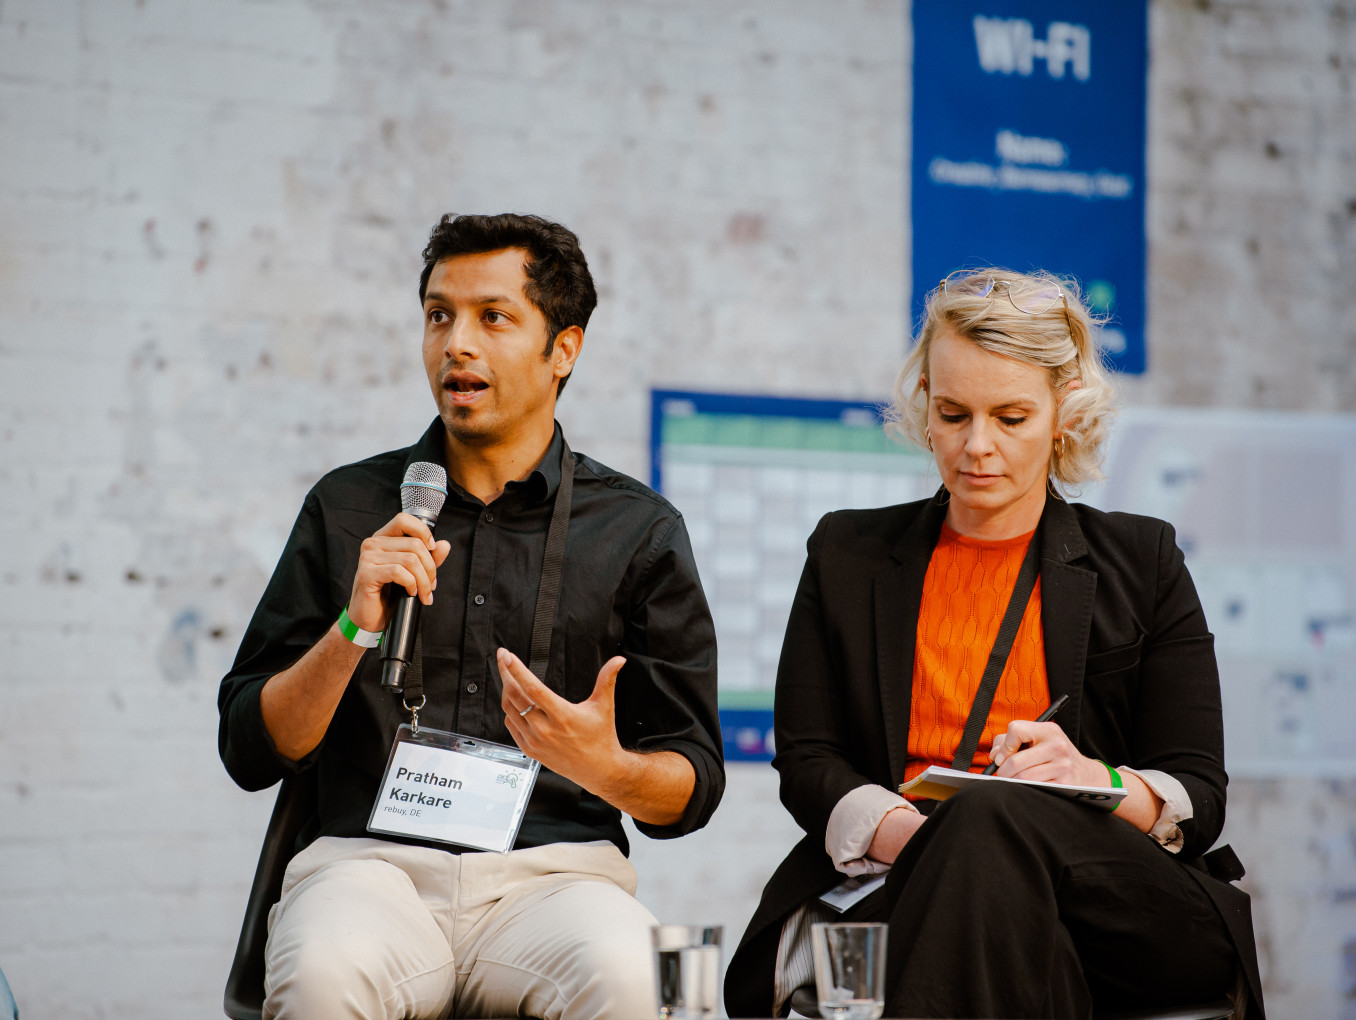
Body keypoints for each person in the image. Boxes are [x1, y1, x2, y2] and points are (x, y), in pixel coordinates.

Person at [218, 213, 723, 1020]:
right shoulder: (350, 506)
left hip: (558, 877)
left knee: (634, 976)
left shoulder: (639, 531)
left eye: (493, 317)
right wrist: (353, 631)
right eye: (438, 314)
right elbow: (248, 746)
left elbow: (691, 787)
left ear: (565, 349)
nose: (456, 342)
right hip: (368, 869)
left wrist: (604, 765)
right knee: (321, 971)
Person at [724, 269, 1264, 1019]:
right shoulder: (847, 553)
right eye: (953, 414)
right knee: (995, 894)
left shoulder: (1143, 561)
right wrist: (916, 838)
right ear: (926, 407)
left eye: (1010, 418)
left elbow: (1199, 796)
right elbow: (809, 761)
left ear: (1063, 412)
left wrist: (1096, 778)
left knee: (986, 823)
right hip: (911, 875)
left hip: (1128, 910)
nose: (976, 447)